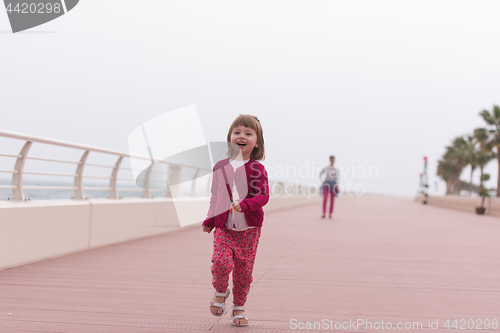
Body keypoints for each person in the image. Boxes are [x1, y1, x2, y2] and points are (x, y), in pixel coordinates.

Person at [202, 114, 269, 327]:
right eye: (237, 132)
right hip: (224, 227)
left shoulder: (257, 169)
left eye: (248, 133)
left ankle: (239, 306)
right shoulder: (220, 166)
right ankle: (221, 291)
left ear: (256, 142)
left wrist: (246, 204)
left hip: (249, 230)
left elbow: (263, 196)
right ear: (230, 137)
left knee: (244, 271)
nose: (242, 136)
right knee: (220, 262)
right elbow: (215, 195)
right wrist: (210, 219)